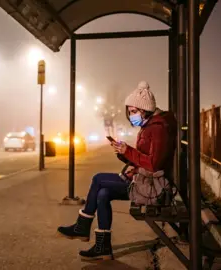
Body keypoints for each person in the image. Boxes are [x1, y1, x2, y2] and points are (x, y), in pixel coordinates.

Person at [57, 81, 177, 261]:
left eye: (133, 111)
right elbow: (142, 159)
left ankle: (82, 226)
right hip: (143, 179)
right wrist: (123, 153)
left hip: (152, 186)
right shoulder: (150, 126)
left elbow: (153, 164)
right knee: (103, 193)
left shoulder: (158, 129)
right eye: (129, 112)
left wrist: (128, 151)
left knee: (98, 179)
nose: (130, 116)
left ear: (145, 110)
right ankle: (102, 247)